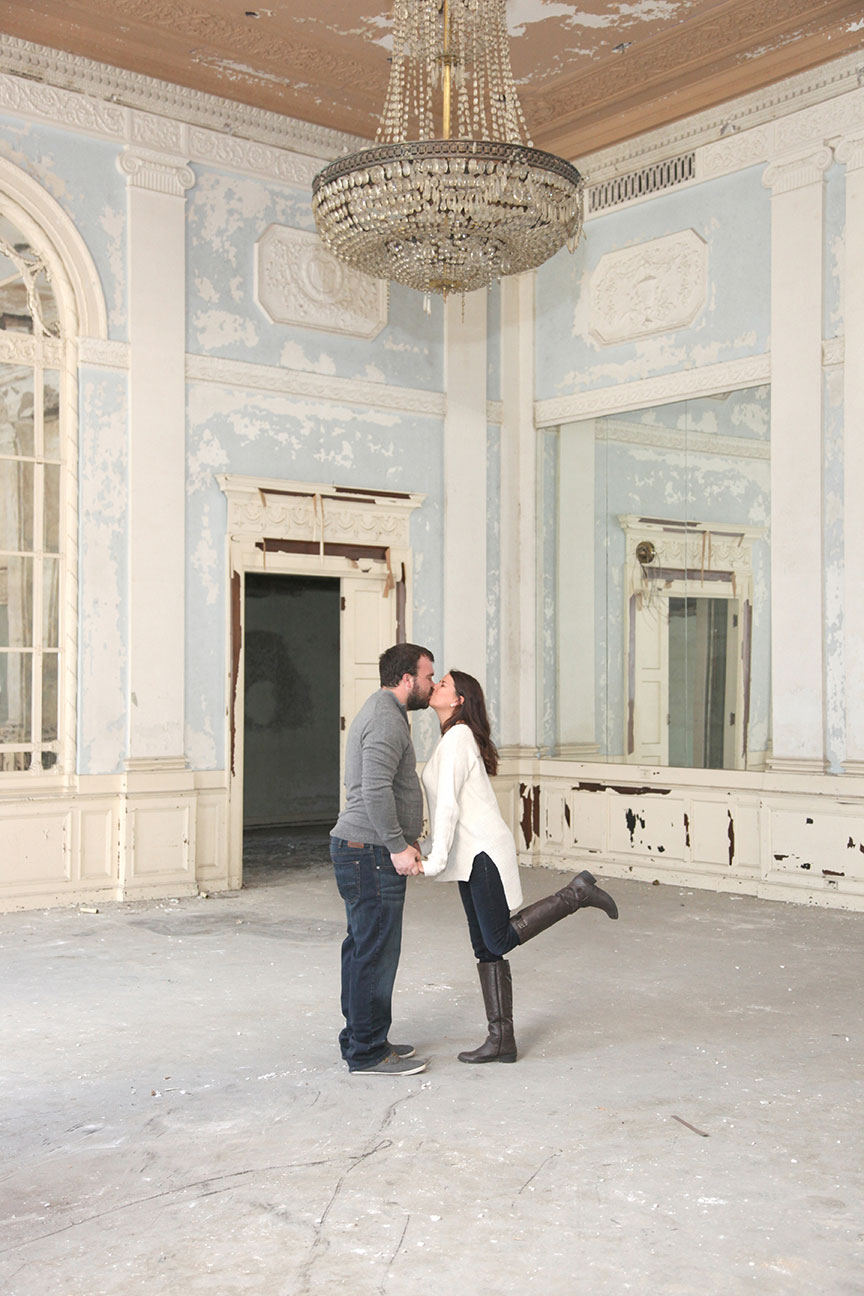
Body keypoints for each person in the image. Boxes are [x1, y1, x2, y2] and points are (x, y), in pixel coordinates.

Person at [420, 670, 619, 1064]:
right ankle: (501, 1041)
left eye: (443, 683)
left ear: (458, 700)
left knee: (497, 941)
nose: (435, 686)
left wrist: (434, 859)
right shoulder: (452, 738)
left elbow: (447, 805)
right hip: (469, 857)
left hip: (481, 854)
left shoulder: (458, 737)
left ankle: (576, 893)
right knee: (484, 947)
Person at [330, 643, 435, 1076]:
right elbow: (374, 789)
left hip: (364, 852)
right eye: (429, 676)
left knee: (363, 948)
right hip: (371, 854)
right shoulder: (386, 720)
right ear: (407, 679)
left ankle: (362, 1036)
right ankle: (368, 1052)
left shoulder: (384, 713)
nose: (432, 684)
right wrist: (396, 846)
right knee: (375, 951)